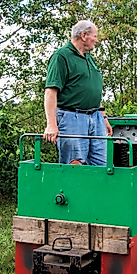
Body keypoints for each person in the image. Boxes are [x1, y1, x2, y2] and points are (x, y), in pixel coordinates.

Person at [44, 20, 112, 165]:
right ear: (83, 35)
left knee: (101, 164)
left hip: (95, 117)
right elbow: (50, 92)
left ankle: (96, 188)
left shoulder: (88, 57)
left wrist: (104, 117)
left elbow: (89, 90)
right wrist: (51, 124)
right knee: (75, 164)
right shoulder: (61, 56)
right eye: (95, 36)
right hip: (72, 117)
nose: (97, 40)